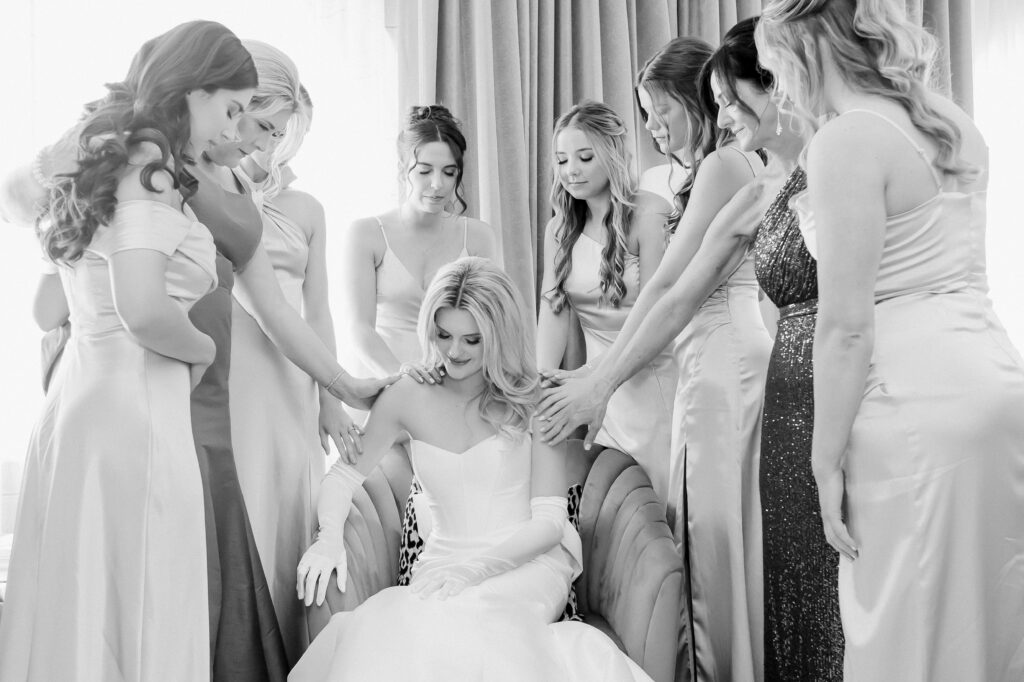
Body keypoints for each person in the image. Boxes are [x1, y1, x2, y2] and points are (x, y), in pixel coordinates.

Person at [755, 1, 1024, 680]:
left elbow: (845, 326)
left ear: (806, 47)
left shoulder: (847, 140)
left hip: (910, 406)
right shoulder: (950, 122)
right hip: (993, 383)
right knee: (989, 614)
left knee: (904, 621)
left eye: (778, 64)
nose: (781, 87)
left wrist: (823, 461)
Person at [0, 21, 254, 680]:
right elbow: (143, 309)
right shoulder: (150, 165)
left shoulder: (109, 163)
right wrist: (199, 350)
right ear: (193, 91)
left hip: (76, 408)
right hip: (134, 415)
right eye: (232, 106)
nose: (236, 127)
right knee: (144, 598)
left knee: (84, 604)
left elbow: (47, 309)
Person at [290, 256, 653, 682]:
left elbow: (551, 525)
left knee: (474, 618)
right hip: (443, 558)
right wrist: (328, 536)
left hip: (529, 562)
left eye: (472, 340)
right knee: (397, 627)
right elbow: (342, 476)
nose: (453, 352)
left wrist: (477, 568)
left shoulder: (534, 398)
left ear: (499, 336)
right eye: (443, 335)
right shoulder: (407, 394)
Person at [538, 37, 771, 682]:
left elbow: (668, 286)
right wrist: (591, 377)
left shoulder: (724, 167)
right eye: (644, 114)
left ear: (697, 98)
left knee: (714, 534)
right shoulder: (711, 171)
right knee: (708, 532)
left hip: (718, 354)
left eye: (659, 110)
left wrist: (599, 381)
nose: (653, 127)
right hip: (713, 351)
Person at [701, 18, 842, 681]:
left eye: (730, 98)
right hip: (785, 396)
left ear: (774, 82)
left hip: (834, 389)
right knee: (790, 571)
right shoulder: (767, 187)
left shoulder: (839, 159)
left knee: (834, 573)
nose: (722, 117)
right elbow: (676, 284)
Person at [339, 104, 496, 583]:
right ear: (404, 167)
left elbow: (492, 323)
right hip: (387, 385)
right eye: (424, 170)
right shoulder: (367, 233)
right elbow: (360, 328)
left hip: (459, 390)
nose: (437, 185)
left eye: (449, 172)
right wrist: (406, 377)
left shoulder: (479, 236)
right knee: (387, 504)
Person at [537, 100, 674, 503]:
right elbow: (554, 307)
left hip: (650, 373)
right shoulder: (559, 228)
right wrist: (543, 380)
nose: (571, 171)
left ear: (612, 155)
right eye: (562, 160)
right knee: (609, 497)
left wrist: (594, 377)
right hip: (593, 385)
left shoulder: (649, 214)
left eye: (584, 157)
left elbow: (658, 310)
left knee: (659, 498)